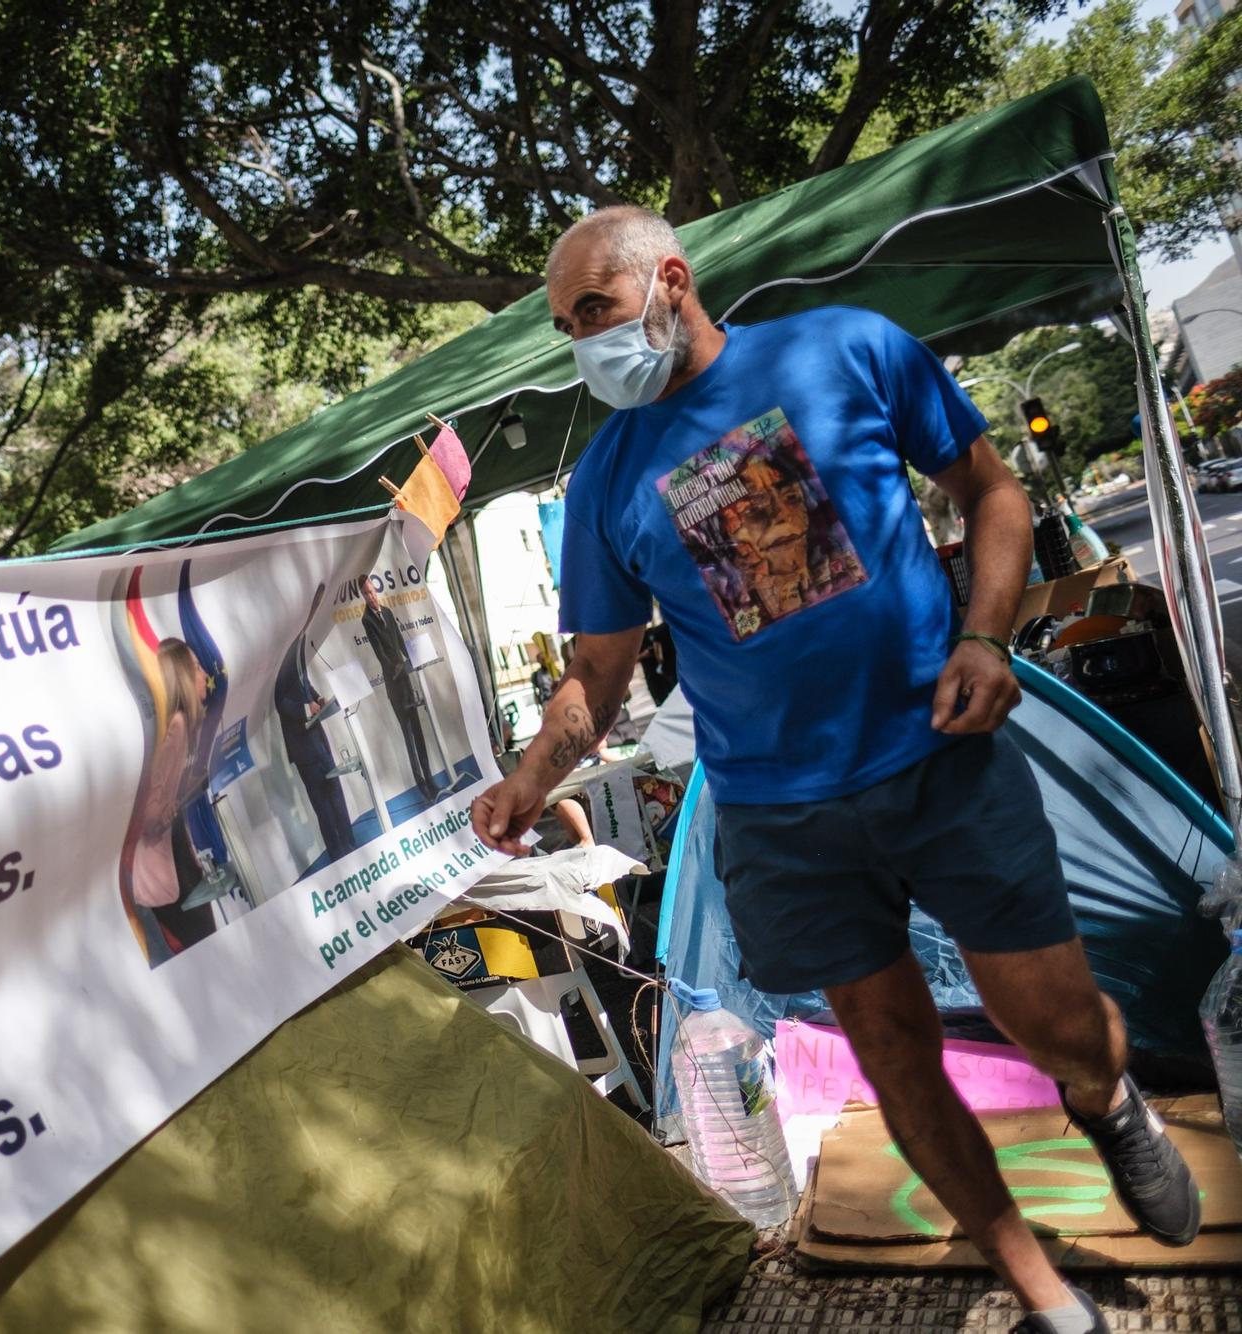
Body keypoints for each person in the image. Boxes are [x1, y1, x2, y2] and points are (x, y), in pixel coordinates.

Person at [470, 207, 1195, 1334]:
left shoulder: (844, 348)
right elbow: (596, 679)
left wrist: (988, 636)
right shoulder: (607, 481)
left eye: (593, 311)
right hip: (777, 819)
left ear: (669, 280)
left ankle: (1102, 1094)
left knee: (1056, 1022)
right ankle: (1047, 1298)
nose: (582, 344)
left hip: (937, 760)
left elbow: (992, 493)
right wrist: (529, 777)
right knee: (895, 1060)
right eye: (566, 326)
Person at [129, 640, 215, 949]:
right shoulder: (176, 726)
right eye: (196, 668)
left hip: (179, 858)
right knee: (203, 945)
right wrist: (162, 812)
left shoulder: (186, 727)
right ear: (180, 676)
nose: (205, 675)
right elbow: (148, 811)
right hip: (164, 870)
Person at [274, 628, 357, 864]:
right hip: (304, 751)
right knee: (323, 807)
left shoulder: (297, 659)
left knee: (337, 797)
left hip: (320, 743)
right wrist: (305, 708)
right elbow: (281, 703)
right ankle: (338, 853)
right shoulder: (278, 665)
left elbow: (305, 687)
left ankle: (351, 844)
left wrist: (318, 698)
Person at [360, 582, 439, 801]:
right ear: (363, 597)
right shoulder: (366, 620)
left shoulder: (387, 611)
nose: (371, 596)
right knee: (409, 737)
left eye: (372, 591)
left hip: (406, 679)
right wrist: (395, 667)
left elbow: (401, 642)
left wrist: (413, 656)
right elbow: (380, 653)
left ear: (376, 592)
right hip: (394, 684)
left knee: (419, 733)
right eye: (366, 594)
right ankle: (421, 785)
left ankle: (431, 780)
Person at [637, 619, 676, 704]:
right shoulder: (636, 640)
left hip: (662, 670)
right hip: (655, 672)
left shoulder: (654, 632)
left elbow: (657, 649)